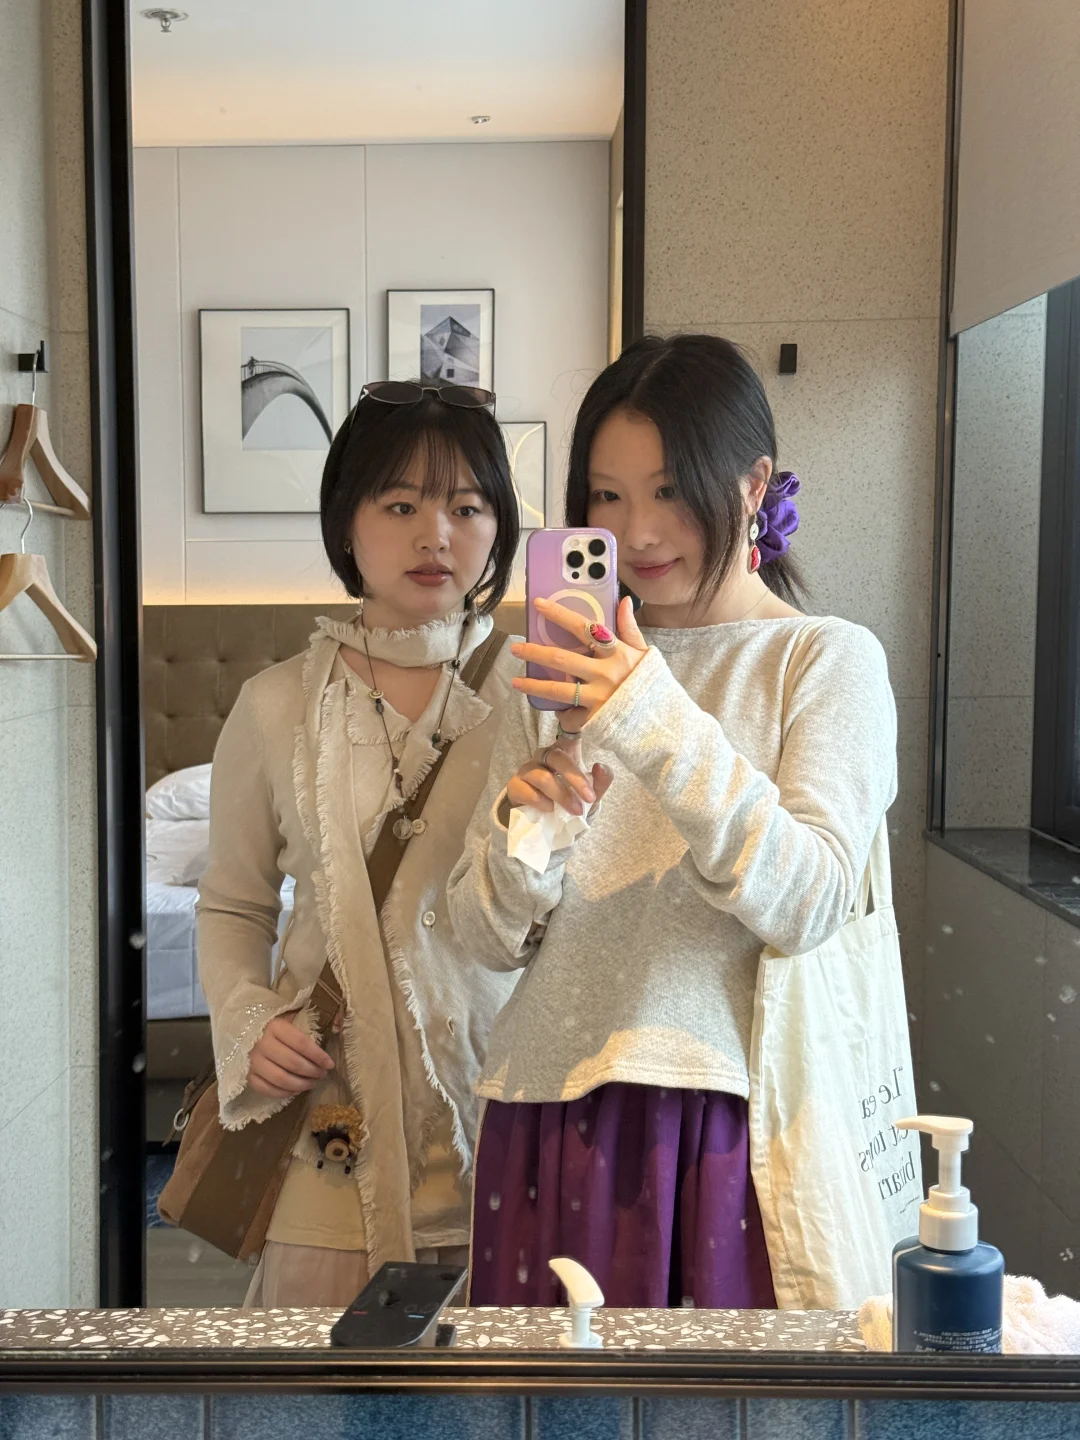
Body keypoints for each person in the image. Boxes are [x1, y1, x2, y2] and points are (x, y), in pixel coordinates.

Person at [447, 334, 902, 1308]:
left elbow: (810, 900)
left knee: (716, 1393)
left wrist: (647, 713)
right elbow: (483, 939)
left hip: (729, 1131)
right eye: (607, 496)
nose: (639, 531)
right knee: (553, 1395)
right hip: (542, 1110)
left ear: (753, 484)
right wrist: (527, 833)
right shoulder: (561, 665)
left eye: (669, 490)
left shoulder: (825, 662)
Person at [197, 381, 521, 1307]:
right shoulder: (274, 704)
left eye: (467, 507)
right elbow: (233, 904)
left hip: (503, 1115)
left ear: (500, 527)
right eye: (400, 505)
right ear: (347, 522)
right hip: (330, 1120)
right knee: (324, 1374)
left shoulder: (541, 694)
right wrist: (247, 1020)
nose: (436, 535)